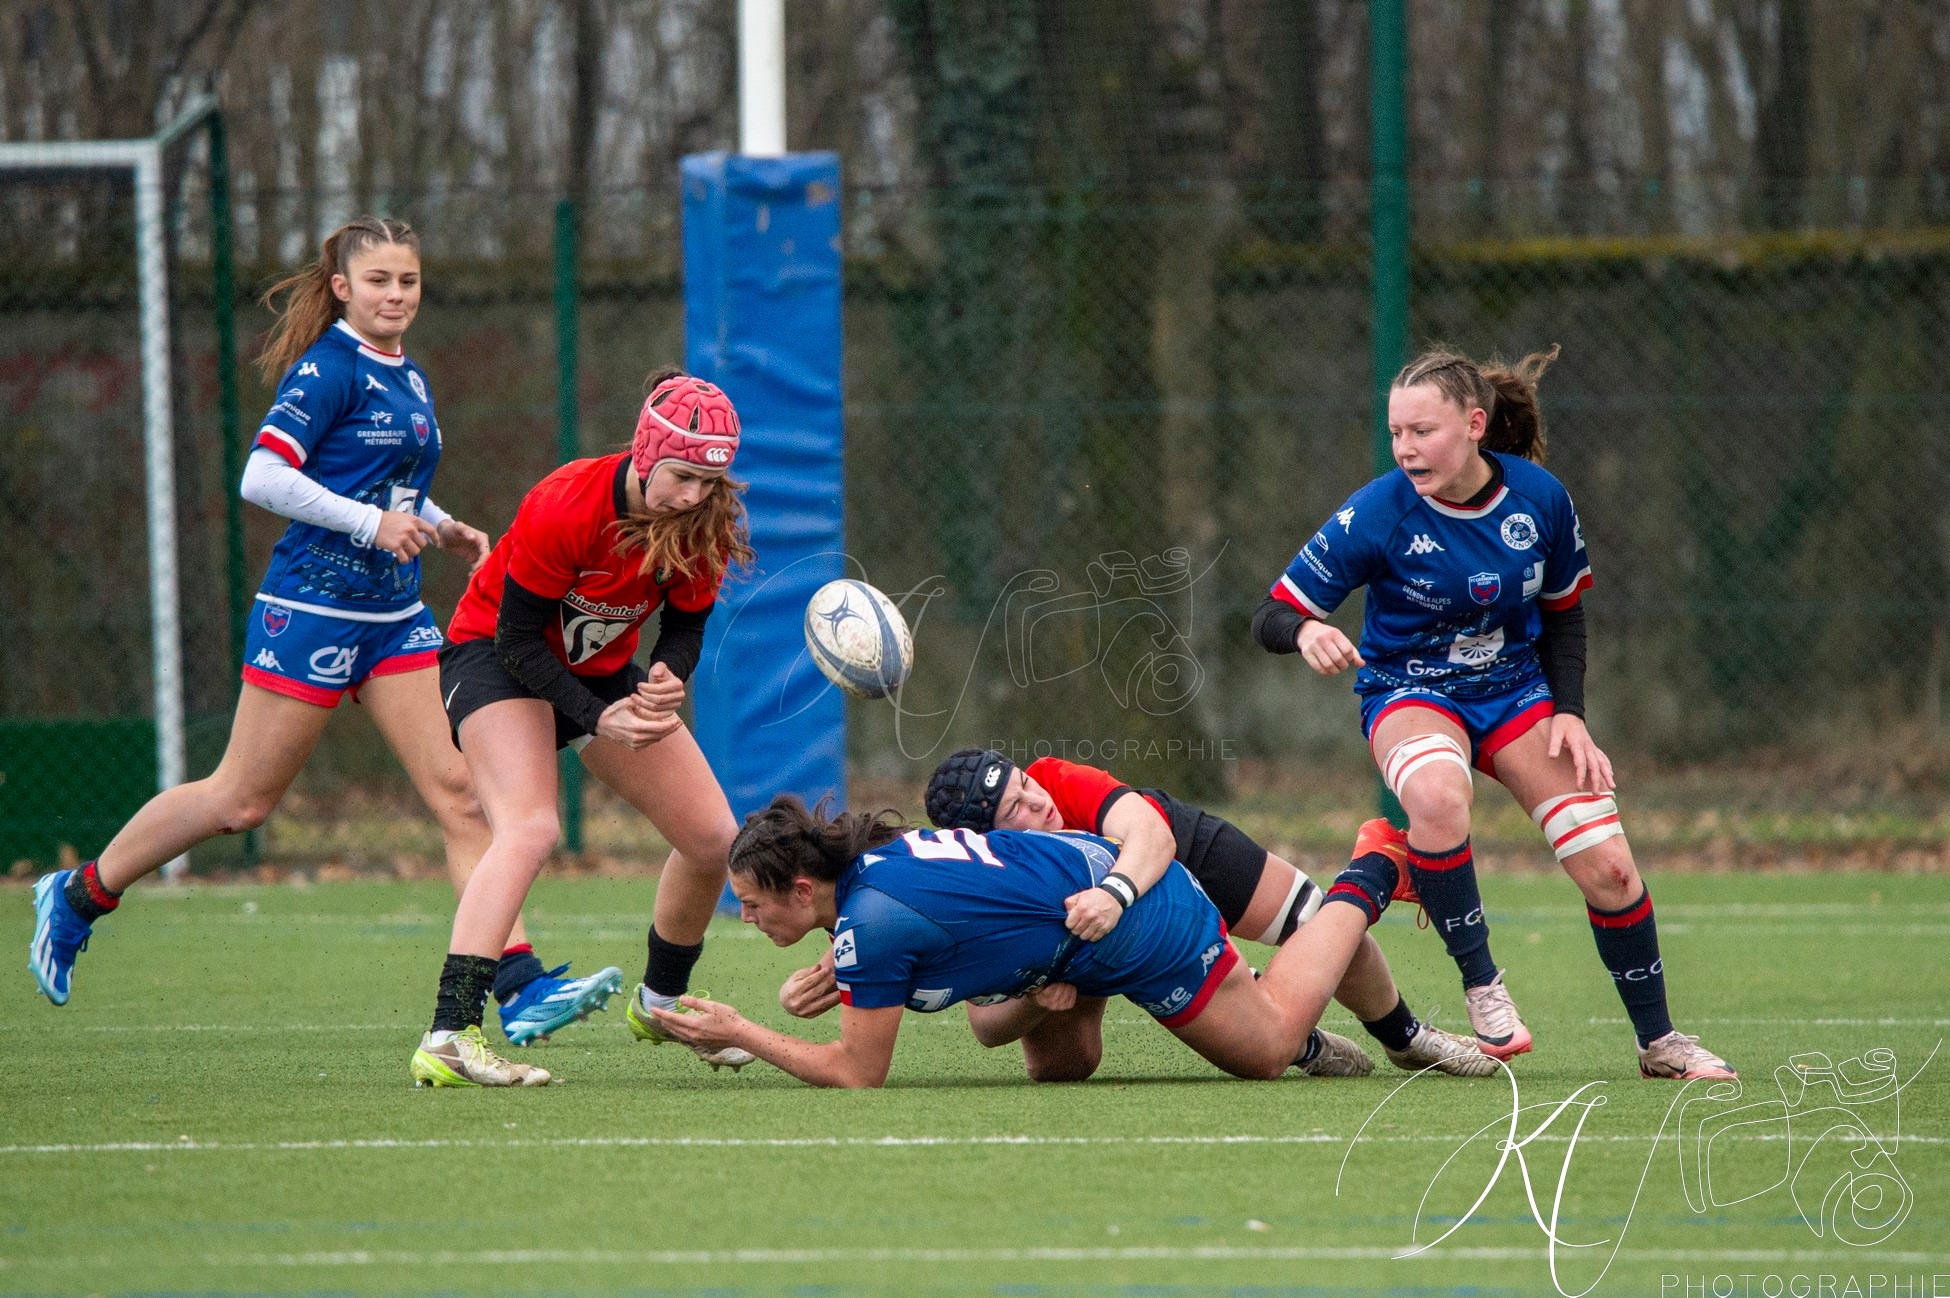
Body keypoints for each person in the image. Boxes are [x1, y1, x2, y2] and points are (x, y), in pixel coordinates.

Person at [26, 217, 614, 1045]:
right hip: (312, 609)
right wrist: (372, 527)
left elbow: (383, 480)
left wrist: (436, 524)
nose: (396, 295)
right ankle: (81, 893)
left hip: (395, 615)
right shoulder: (328, 368)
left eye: (407, 282)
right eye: (379, 282)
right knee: (241, 800)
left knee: (461, 793)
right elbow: (263, 475)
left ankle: (515, 986)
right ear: (343, 287)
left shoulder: (406, 375)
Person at [1252, 344, 1735, 1081]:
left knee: (1609, 867)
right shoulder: (1379, 509)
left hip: (1515, 694)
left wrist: (1569, 713)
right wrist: (1308, 628)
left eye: (1425, 431)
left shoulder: (1540, 498)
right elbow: (1270, 614)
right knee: (1440, 795)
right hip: (1411, 691)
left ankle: (1660, 1044)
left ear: (1475, 424)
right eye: (1397, 433)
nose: (1407, 449)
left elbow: (1565, 618)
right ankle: (1482, 983)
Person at [408, 370, 755, 1087]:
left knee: (713, 839)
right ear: (647, 451)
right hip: (496, 658)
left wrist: (666, 675)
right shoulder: (565, 502)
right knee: (531, 828)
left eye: (709, 481)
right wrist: (600, 717)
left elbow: (687, 622)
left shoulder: (704, 517)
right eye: (682, 475)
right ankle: (450, 1033)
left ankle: (660, 1003)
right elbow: (516, 639)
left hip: (598, 671)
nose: (693, 495)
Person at [777, 749, 1490, 1077]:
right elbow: (987, 1023)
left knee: (1316, 936)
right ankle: (1290, 1031)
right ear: (986, 839)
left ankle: (1377, 887)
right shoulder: (995, 875)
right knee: (1064, 1062)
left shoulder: (1062, 784)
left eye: (1027, 786)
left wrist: (1115, 893)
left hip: (1167, 851)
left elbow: (1149, 836)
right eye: (1016, 809)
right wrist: (1030, 991)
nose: (1039, 804)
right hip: (1082, 922)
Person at [645, 793, 1431, 1089]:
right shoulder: (865, 885)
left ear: (804, 889)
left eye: (750, 904)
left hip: (1138, 918)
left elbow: (858, 1073)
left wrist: (739, 1030)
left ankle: (1370, 872)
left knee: (1264, 1053)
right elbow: (942, 918)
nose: (745, 918)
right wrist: (841, 968)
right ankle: (1087, 985)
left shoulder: (869, 924)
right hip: (1076, 915)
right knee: (1051, 1061)